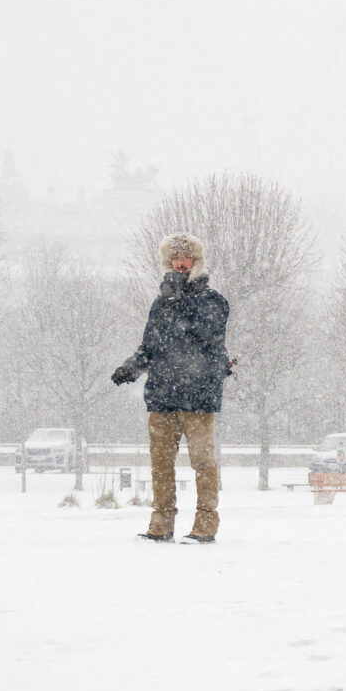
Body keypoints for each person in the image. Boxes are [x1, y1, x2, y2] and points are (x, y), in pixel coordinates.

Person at [110, 232, 232, 543]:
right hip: (162, 395)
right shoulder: (160, 303)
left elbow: (206, 335)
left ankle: (205, 525)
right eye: (174, 258)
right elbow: (150, 345)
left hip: (199, 397)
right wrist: (131, 367)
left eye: (185, 258)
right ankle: (160, 524)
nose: (179, 264)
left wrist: (180, 301)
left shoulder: (213, 300)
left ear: (196, 262)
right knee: (161, 465)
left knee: (202, 463)